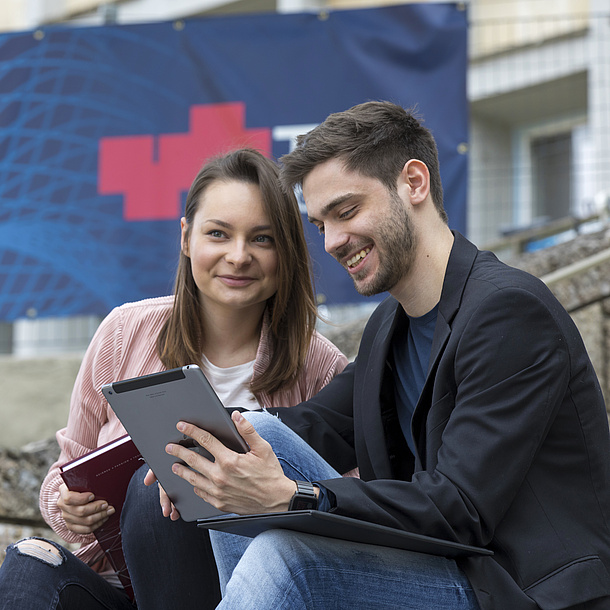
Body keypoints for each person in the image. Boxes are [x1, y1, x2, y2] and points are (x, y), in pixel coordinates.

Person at [165, 102, 610, 609]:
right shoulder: (389, 327)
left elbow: (460, 506)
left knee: (288, 558)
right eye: (320, 225)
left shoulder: (509, 312)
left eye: (346, 211)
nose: (332, 242)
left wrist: (296, 498)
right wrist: (202, 447)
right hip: (441, 567)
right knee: (252, 437)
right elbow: (316, 425)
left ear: (413, 183)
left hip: (513, 588)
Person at [0, 148, 348, 609]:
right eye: (218, 234)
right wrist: (68, 505)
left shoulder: (322, 367)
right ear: (186, 238)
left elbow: (345, 498)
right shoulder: (124, 333)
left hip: (249, 590)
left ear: (287, 250)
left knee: (161, 486)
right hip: (125, 583)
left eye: (262, 239)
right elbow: (67, 468)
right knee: (27, 563)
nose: (238, 256)